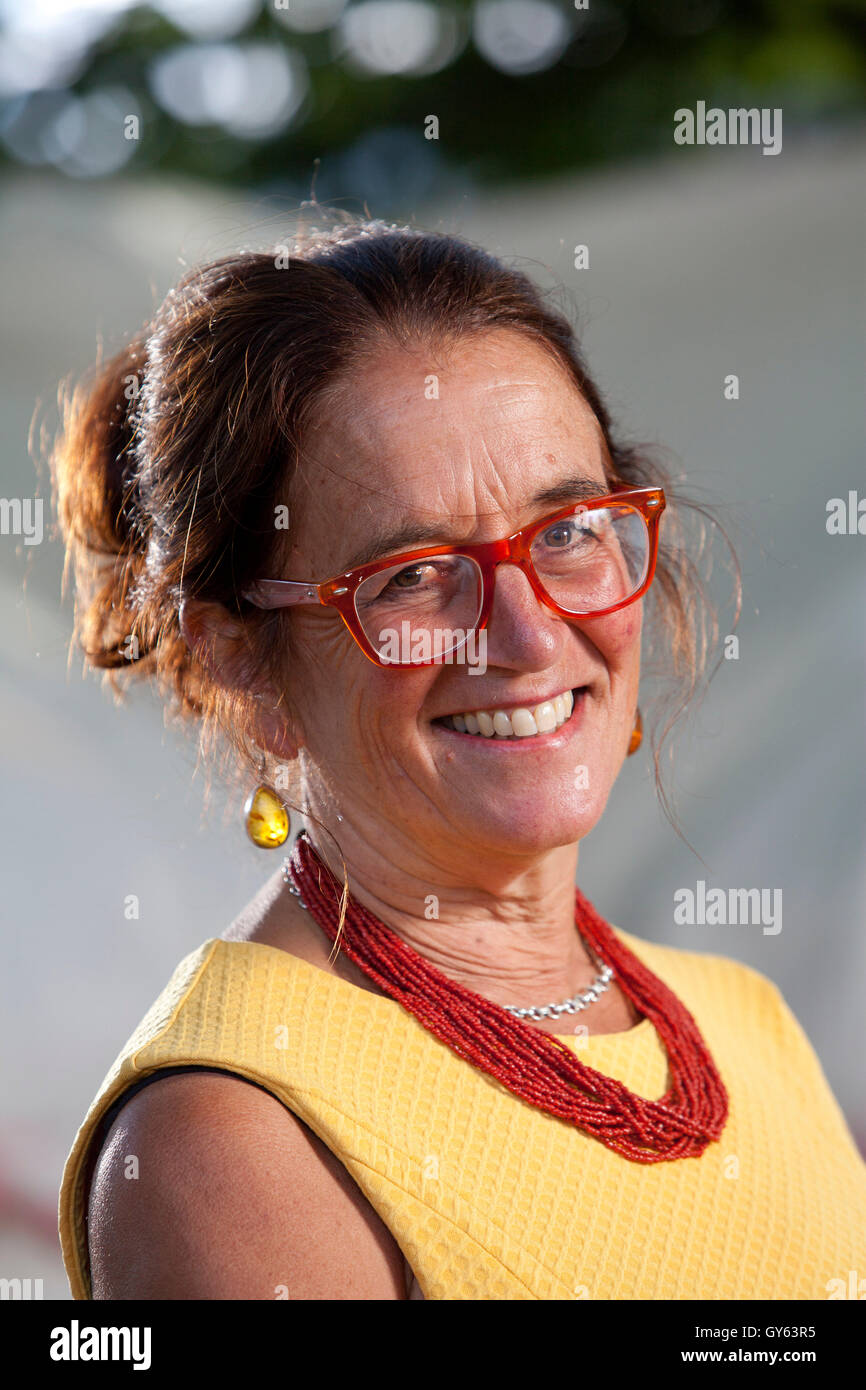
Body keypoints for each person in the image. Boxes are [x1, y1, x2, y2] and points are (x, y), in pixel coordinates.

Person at [54, 217, 866, 1300]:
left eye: (567, 528)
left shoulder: (742, 1022)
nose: (528, 636)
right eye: (412, 572)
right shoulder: (234, 1138)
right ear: (240, 655)